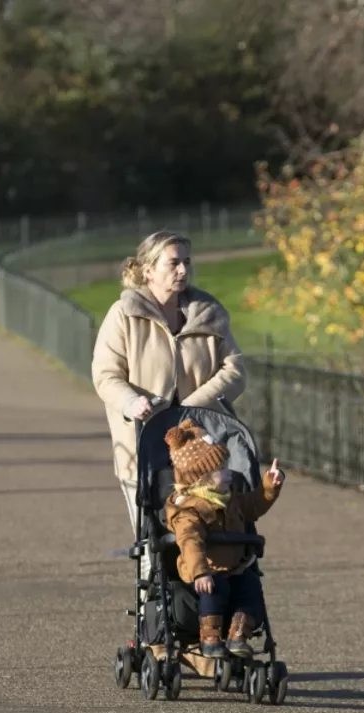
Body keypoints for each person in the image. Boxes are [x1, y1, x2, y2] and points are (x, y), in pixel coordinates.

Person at [91, 230, 247, 539]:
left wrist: (194, 407)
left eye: (187, 262)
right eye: (173, 263)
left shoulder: (208, 313)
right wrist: (131, 402)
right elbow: (106, 375)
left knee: (206, 532)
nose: (183, 270)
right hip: (143, 443)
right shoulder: (123, 315)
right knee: (152, 538)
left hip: (202, 448)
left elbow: (235, 369)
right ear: (148, 270)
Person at [162, 419, 285, 658]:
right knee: (215, 589)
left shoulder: (231, 499)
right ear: (202, 477)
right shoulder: (189, 509)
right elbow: (190, 541)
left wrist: (269, 485)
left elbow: (254, 506)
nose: (230, 473)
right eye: (222, 469)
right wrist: (200, 571)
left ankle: (238, 636)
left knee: (251, 589)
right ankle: (210, 638)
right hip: (204, 572)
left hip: (235, 568)